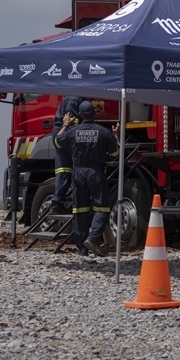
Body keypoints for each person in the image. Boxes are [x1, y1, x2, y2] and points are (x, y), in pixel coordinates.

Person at [55, 101, 119, 257]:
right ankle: (93, 238)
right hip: (96, 172)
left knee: (80, 209)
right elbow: (116, 153)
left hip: (78, 173)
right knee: (102, 207)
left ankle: (82, 248)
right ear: (94, 114)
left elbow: (57, 141)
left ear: (80, 115)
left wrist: (65, 124)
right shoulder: (103, 132)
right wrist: (116, 135)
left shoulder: (72, 132)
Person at [51, 95, 85, 213]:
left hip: (62, 133)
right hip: (65, 133)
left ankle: (57, 202)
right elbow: (71, 121)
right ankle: (62, 201)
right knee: (69, 168)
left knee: (64, 169)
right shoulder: (74, 99)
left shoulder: (74, 97)